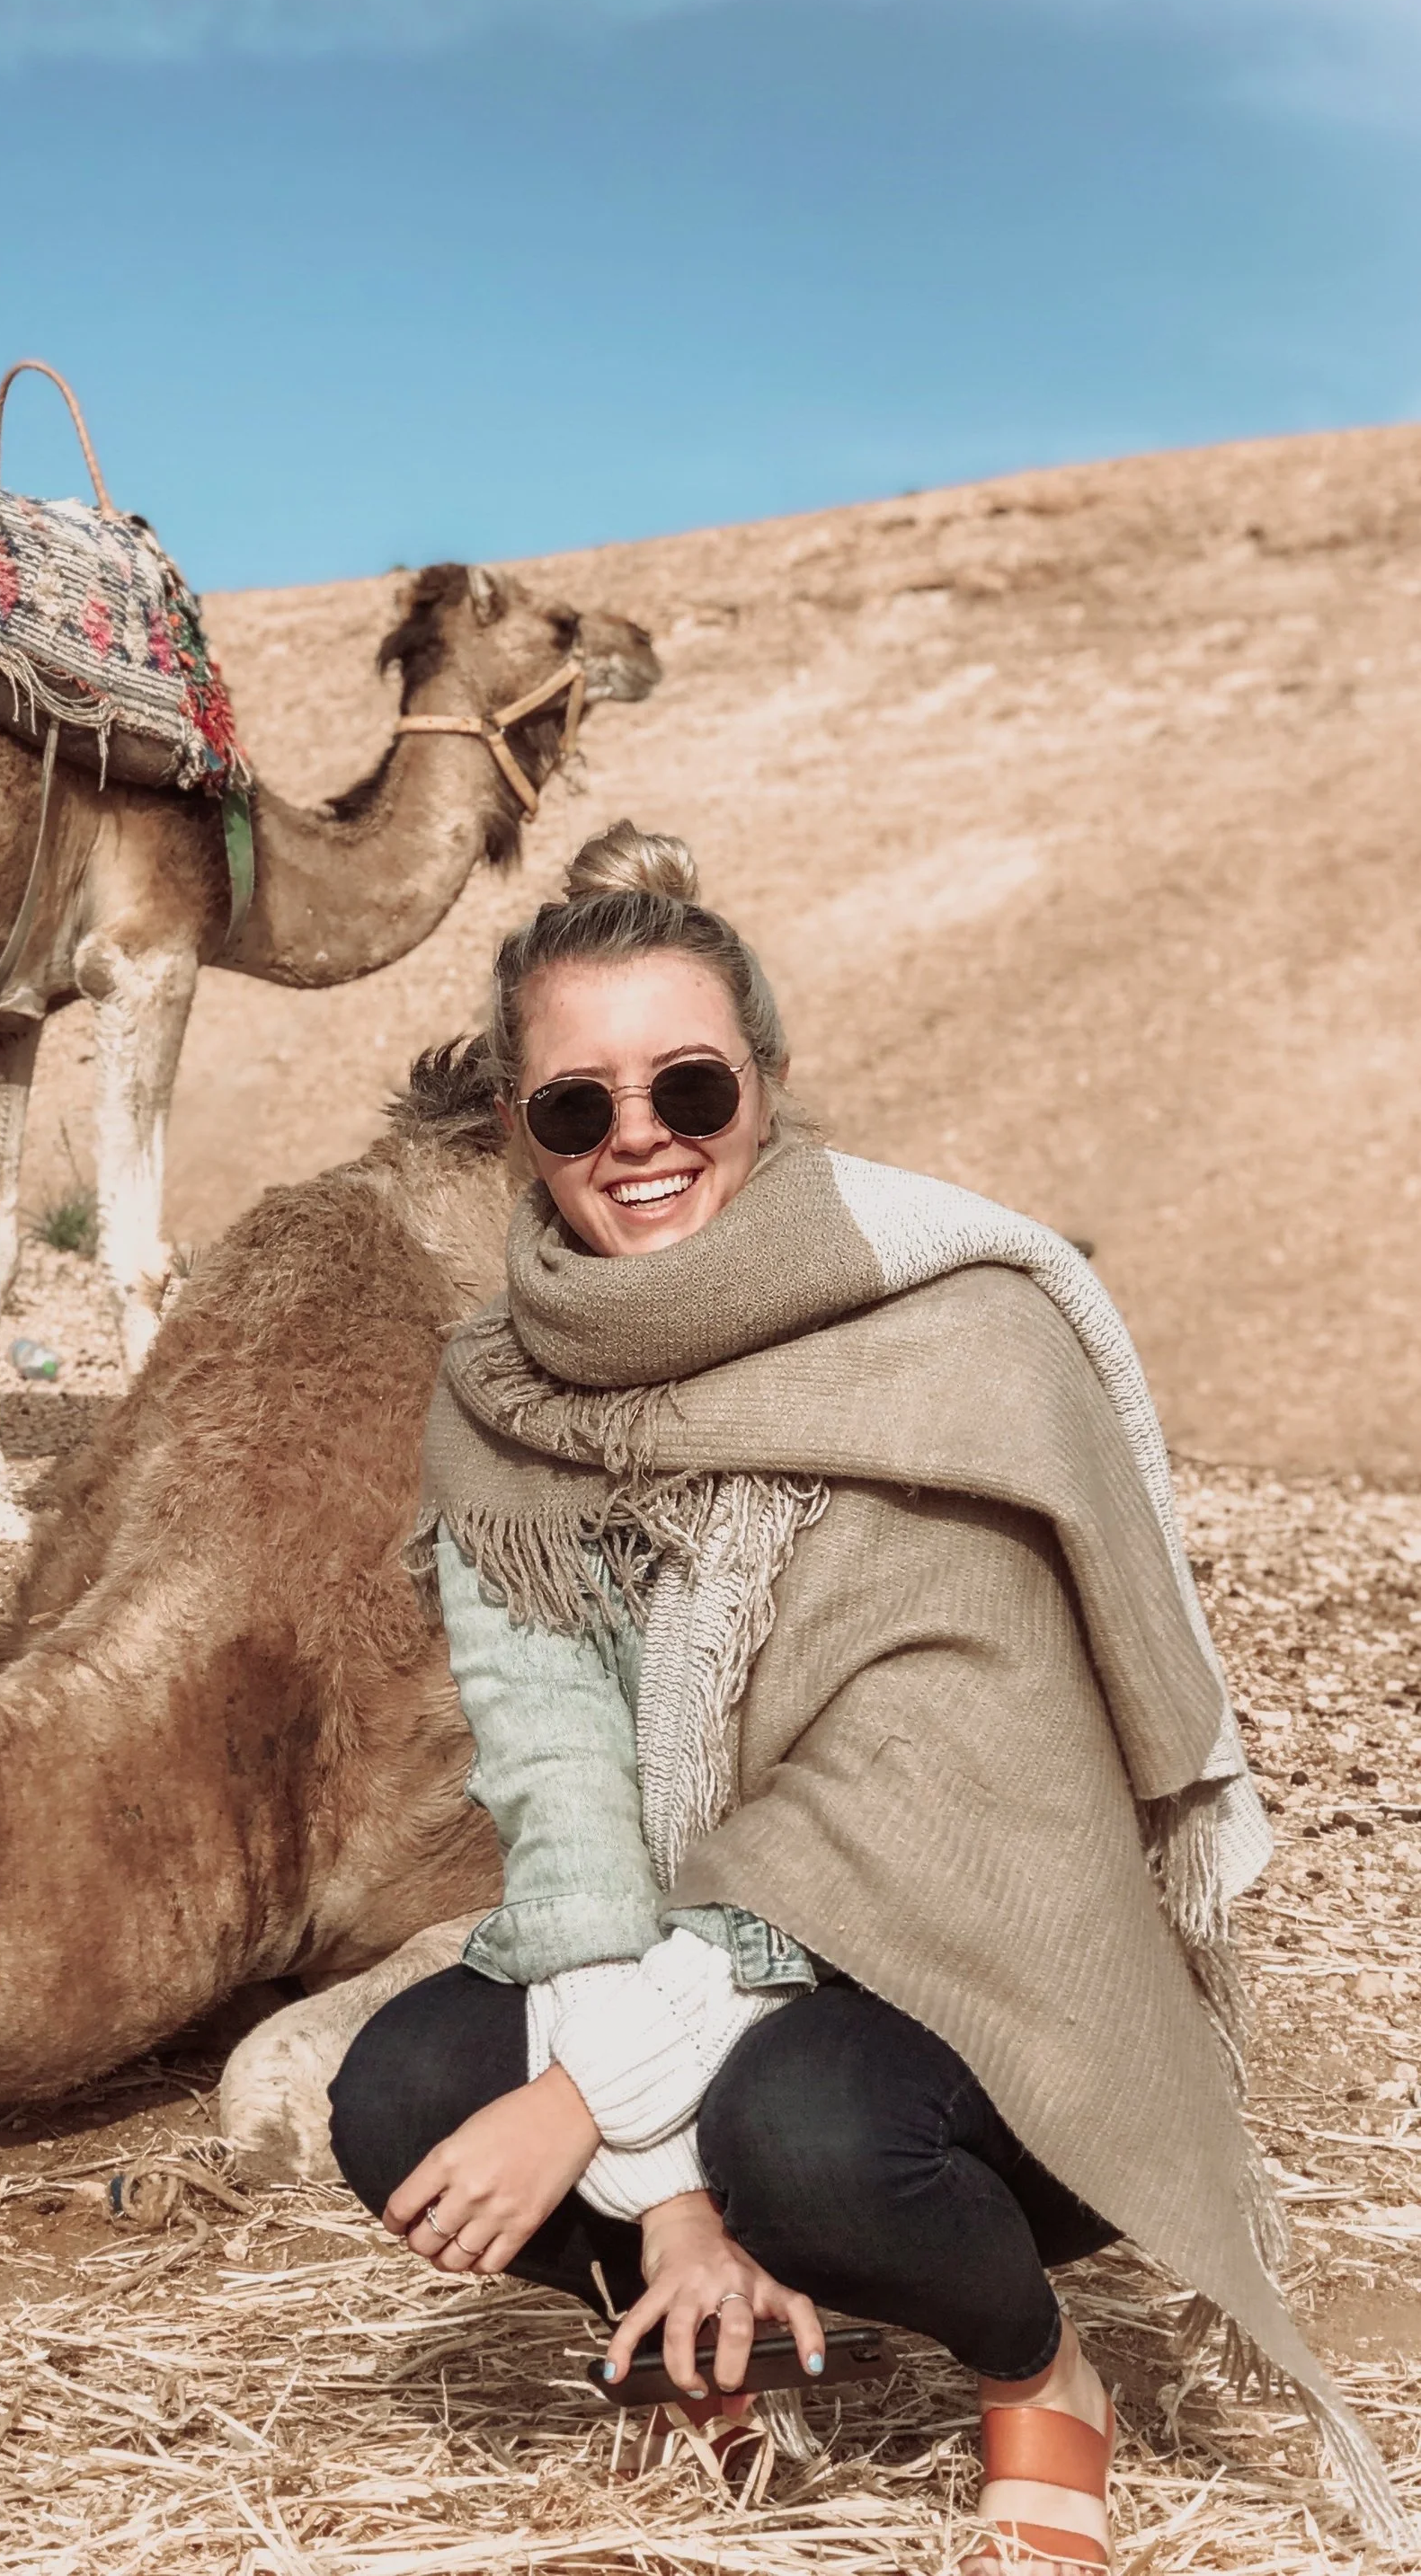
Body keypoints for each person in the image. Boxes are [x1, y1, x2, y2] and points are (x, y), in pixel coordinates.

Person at [328, 824, 1399, 2566]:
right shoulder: (502, 1395)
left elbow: (882, 1808)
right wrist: (662, 2205)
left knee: (802, 2128)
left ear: (761, 1079)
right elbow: (561, 1791)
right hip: (696, 1961)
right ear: (520, 1132)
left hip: (970, 1977)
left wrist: (598, 2105)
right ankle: (701, 2324)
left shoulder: (945, 1342)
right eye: (573, 1107)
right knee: (401, 2091)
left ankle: (1036, 2363)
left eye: (685, 1082)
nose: (639, 1138)